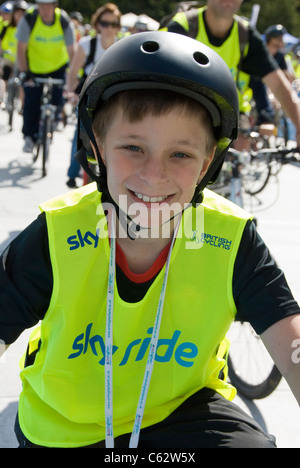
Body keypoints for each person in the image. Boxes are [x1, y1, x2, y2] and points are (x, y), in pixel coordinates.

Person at [1, 31, 300, 449]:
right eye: (133, 147)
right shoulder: (58, 233)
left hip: (181, 410)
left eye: (180, 154)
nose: (154, 175)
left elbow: (292, 341)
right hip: (66, 428)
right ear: (98, 147)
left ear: (206, 163)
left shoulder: (229, 237)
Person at [164, 0, 300, 150]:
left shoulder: (245, 33)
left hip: (231, 112)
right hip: (186, 109)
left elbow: (278, 83)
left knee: (242, 149)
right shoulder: (183, 25)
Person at [66, 3, 122, 189]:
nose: (109, 28)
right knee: (81, 135)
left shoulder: (123, 46)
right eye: (105, 23)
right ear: (98, 24)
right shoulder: (87, 44)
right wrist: (70, 92)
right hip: (88, 97)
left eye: (114, 24)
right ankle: (73, 174)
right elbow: (73, 71)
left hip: (114, 100)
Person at [16, 0, 76, 153]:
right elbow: (21, 48)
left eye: (49, 6)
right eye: (42, 6)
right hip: (34, 68)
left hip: (58, 67)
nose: (45, 10)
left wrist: (73, 76)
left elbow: (72, 50)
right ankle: (28, 137)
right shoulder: (29, 18)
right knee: (31, 102)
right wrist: (24, 72)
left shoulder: (63, 20)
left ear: (55, 6)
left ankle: (55, 119)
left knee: (58, 99)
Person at [250, 24, 295, 126]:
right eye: (280, 38)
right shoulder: (261, 53)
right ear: (272, 39)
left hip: (270, 90)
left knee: (276, 107)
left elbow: (285, 75)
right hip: (255, 88)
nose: (282, 41)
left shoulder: (280, 55)